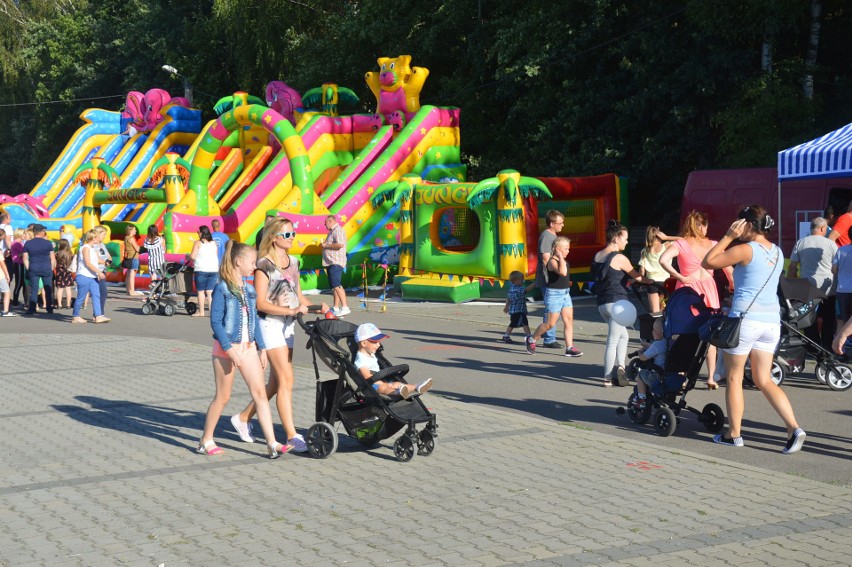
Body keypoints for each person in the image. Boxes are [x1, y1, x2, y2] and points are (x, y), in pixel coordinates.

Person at [702, 205, 805, 454]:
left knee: (735, 377)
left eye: (739, 223)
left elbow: (708, 262)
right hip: (771, 322)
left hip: (744, 321)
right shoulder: (778, 251)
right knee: (764, 379)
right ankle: (794, 428)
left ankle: (733, 434)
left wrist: (727, 236)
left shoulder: (744, 249)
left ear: (747, 225)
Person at [229, 218, 328, 453]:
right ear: (274, 238)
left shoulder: (293, 262)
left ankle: (243, 418)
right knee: (286, 380)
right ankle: (292, 435)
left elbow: (297, 296)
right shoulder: (263, 266)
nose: (292, 237)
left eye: (293, 233)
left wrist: (318, 308)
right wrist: (291, 310)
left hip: (288, 325)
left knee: (275, 383)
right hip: (269, 325)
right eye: (287, 235)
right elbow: (261, 303)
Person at [198, 241, 288, 458]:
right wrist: (230, 350)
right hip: (226, 349)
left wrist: (263, 348)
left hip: (248, 349)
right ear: (239, 262)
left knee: (259, 394)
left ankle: (272, 443)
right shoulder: (222, 288)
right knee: (223, 397)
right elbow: (216, 322)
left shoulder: (248, 290)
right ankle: (205, 439)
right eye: (251, 262)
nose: (254, 266)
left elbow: (254, 321)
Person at [659, 210, 731, 389]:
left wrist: (679, 277)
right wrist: (732, 286)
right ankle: (711, 377)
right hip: (708, 289)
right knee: (710, 332)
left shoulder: (681, 243)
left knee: (685, 333)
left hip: (688, 289)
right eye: (705, 225)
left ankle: (681, 375)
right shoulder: (715, 244)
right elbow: (729, 269)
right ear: (702, 226)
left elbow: (663, 260)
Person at [592, 220, 652, 387]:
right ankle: (607, 377)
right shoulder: (619, 258)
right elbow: (639, 277)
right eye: (625, 238)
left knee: (623, 335)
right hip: (617, 303)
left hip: (602, 304)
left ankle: (620, 368)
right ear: (617, 238)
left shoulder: (598, 255)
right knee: (612, 341)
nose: (627, 241)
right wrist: (651, 280)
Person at [526, 237, 583, 357]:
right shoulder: (552, 261)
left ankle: (569, 347)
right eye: (565, 249)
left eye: (568, 248)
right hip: (554, 294)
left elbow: (565, 275)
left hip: (565, 293)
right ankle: (531, 339)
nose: (568, 251)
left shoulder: (565, 261)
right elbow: (562, 272)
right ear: (557, 248)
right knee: (550, 324)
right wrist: (559, 256)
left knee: (568, 321)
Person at [787, 216, 837, 349]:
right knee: (828, 317)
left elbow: (792, 267)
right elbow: (836, 266)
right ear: (822, 229)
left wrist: (794, 284)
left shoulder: (801, 243)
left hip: (807, 287)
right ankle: (827, 345)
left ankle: (812, 346)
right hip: (828, 287)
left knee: (808, 317)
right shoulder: (831, 244)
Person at [355, 322, 433, 397]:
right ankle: (397, 392)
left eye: (379, 342)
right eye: (375, 342)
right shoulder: (361, 359)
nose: (379, 345)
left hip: (379, 378)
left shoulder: (370, 353)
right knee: (383, 388)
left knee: (397, 384)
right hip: (371, 384)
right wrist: (380, 381)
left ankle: (416, 387)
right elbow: (367, 376)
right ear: (364, 343)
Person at [535, 210, 565, 349]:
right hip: (549, 280)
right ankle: (548, 339)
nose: (562, 225)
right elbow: (546, 259)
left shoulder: (552, 236)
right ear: (552, 223)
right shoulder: (547, 237)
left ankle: (550, 337)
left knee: (557, 310)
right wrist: (557, 272)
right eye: (560, 223)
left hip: (555, 280)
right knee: (551, 310)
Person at [71, 230, 110, 324]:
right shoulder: (85, 248)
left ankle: (98, 316)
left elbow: (96, 260)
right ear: (93, 238)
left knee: (96, 295)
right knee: (81, 297)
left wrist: (105, 262)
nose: (98, 239)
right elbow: (88, 263)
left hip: (92, 276)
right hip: (84, 276)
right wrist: (99, 272)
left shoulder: (92, 249)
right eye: (96, 237)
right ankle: (75, 316)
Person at [638, 226, 677, 315]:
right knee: (664, 312)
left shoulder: (644, 251)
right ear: (660, 236)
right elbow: (682, 240)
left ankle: (655, 328)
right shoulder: (666, 246)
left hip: (651, 283)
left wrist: (639, 282)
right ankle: (664, 328)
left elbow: (642, 272)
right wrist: (667, 237)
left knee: (655, 314)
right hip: (665, 283)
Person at [632, 317, 667, 409]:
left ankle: (641, 399)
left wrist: (640, 353)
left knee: (641, 375)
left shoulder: (656, 345)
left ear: (663, 331)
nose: (652, 332)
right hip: (668, 375)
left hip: (656, 376)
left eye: (655, 330)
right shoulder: (668, 342)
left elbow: (643, 358)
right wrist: (648, 345)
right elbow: (658, 348)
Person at [22, 224, 55, 316]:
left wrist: (29, 268)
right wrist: (52, 268)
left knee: (34, 289)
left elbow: (25, 258)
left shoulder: (28, 243)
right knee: (48, 288)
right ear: (41, 232)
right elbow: (52, 258)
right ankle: (49, 308)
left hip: (33, 267)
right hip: (46, 267)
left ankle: (31, 308)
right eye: (43, 231)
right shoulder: (48, 243)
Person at [187, 225, 219, 317]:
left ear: (201, 233)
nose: (197, 233)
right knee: (210, 291)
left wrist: (187, 256)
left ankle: (201, 312)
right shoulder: (214, 243)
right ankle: (212, 312)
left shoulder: (198, 243)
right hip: (213, 269)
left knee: (201, 291)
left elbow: (193, 256)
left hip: (201, 269)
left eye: (198, 232)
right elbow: (215, 255)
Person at [322, 214, 350, 317]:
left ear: (330, 221)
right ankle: (336, 307)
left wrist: (326, 245)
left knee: (337, 284)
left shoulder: (338, 230)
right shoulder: (332, 232)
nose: (325, 226)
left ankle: (345, 306)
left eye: (326, 224)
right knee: (334, 286)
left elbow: (340, 245)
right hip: (330, 262)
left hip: (336, 261)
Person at [502, 270, 533, 344]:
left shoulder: (511, 288)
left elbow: (508, 298)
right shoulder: (518, 289)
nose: (523, 281)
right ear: (515, 281)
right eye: (522, 279)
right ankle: (529, 337)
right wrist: (534, 284)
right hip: (518, 311)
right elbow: (526, 290)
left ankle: (506, 335)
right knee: (524, 323)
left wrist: (506, 307)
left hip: (515, 310)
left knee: (514, 323)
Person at [53, 239, 75, 309]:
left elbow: (54, 263)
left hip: (59, 273)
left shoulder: (57, 253)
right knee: (68, 289)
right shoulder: (70, 254)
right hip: (68, 272)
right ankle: (68, 304)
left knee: (60, 289)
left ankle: (59, 304)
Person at [123, 225, 142, 296]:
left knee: (128, 273)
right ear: (130, 231)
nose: (135, 231)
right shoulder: (131, 239)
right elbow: (137, 248)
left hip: (128, 256)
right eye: (134, 230)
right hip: (133, 257)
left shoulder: (126, 238)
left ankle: (128, 290)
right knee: (132, 274)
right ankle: (132, 291)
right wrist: (140, 247)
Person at [10, 228, 26, 306]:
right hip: (18, 264)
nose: (24, 235)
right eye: (23, 234)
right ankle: (15, 301)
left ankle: (20, 300)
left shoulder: (19, 243)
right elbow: (21, 253)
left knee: (22, 283)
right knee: (19, 283)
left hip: (20, 263)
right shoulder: (17, 243)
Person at [0, 212, 14, 293]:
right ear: (6, 219)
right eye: (9, 218)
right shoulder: (8, 227)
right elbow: (8, 239)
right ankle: (5, 294)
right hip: (5, 254)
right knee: (7, 274)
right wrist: (11, 250)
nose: (11, 220)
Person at [0, 245, 14, 317]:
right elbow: (2, 264)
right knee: (6, 292)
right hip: (0, 276)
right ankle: (5, 311)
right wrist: (7, 274)